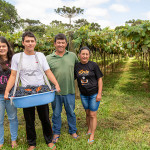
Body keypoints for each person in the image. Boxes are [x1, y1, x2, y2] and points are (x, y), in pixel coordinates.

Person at [4, 31, 60, 150]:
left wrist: (55, 84)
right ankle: (32, 143)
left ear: (35, 42)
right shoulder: (17, 57)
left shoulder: (40, 56)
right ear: (23, 43)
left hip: (41, 92)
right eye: (27, 41)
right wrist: (7, 91)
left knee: (45, 117)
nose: (30, 43)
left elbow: (47, 72)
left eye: (32, 41)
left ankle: (49, 140)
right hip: (26, 92)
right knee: (29, 119)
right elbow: (13, 76)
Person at [46, 33, 79, 143]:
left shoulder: (72, 56)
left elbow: (78, 69)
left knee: (71, 112)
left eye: (63, 42)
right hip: (55, 92)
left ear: (66, 43)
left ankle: (73, 131)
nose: (60, 44)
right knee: (56, 113)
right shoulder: (48, 58)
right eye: (58, 42)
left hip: (69, 90)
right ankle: (56, 132)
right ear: (55, 44)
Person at [74, 46, 103, 144]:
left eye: (87, 54)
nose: (85, 56)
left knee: (92, 114)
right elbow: (73, 78)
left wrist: (99, 93)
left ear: (89, 55)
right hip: (83, 95)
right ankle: (89, 129)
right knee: (87, 113)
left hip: (94, 94)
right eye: (83, 54)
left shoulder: (93, 65)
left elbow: (99, 79)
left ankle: (92, 134)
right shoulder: (77, 66)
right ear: (79, 55)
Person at [0, 36, 18, 149]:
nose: (1, 48)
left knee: (12, 118)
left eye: (3, 46)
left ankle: (14, 140)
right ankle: (0, 141)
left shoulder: (14, 60)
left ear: (8, 47)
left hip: (12, 94)